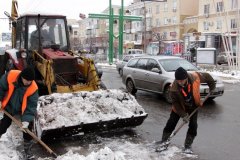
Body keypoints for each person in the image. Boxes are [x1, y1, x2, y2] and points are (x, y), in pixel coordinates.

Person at [160, 67, 216, 153]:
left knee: (193, 126)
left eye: (182, 80)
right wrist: (183, 115)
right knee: (171, 123)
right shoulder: (173, 89)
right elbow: (176, 104)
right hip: (179, 108)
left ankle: (187, 146)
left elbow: (207, 76)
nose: (180, 82)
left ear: (186, 77)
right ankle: (164, 141)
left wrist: (212, 87)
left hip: (193, 106)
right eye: (178, 80)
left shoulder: (195, 77)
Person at [0, 67, 39, 159]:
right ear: (22, 76)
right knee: (4, 125)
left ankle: (27, 150)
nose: (28, 83)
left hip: (23, 109)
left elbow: (31, 106)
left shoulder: (33, 88)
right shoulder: (11, 75)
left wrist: (26, 120)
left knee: (27, 129)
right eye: (26, 80)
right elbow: (0, 87)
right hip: (9, 106)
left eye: (30, 81)